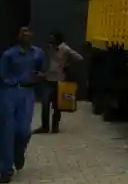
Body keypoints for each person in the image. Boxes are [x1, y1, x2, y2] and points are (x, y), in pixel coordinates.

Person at [0, 27, 47, 183]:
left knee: (24, 131)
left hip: (28, 94)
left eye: (28, 31)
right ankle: (5, 170)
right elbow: (2, 75)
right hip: (9, 92)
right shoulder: (9, 55)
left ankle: (18, 156)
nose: (26, 34)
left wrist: (41, 76)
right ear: (18, 36)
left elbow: (43, 70)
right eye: (22, 32)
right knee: (7, 131)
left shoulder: (38, 53)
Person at [34, 32, 83, 134]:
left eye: (53, 39)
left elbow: (79, 58)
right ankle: (45, 126)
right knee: (45, 103)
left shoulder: (65, 49)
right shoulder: (49, 48)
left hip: (59, 79)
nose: (51, 41)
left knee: (57, 105)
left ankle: (55, 127)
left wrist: (67, 64)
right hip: (48, 78)